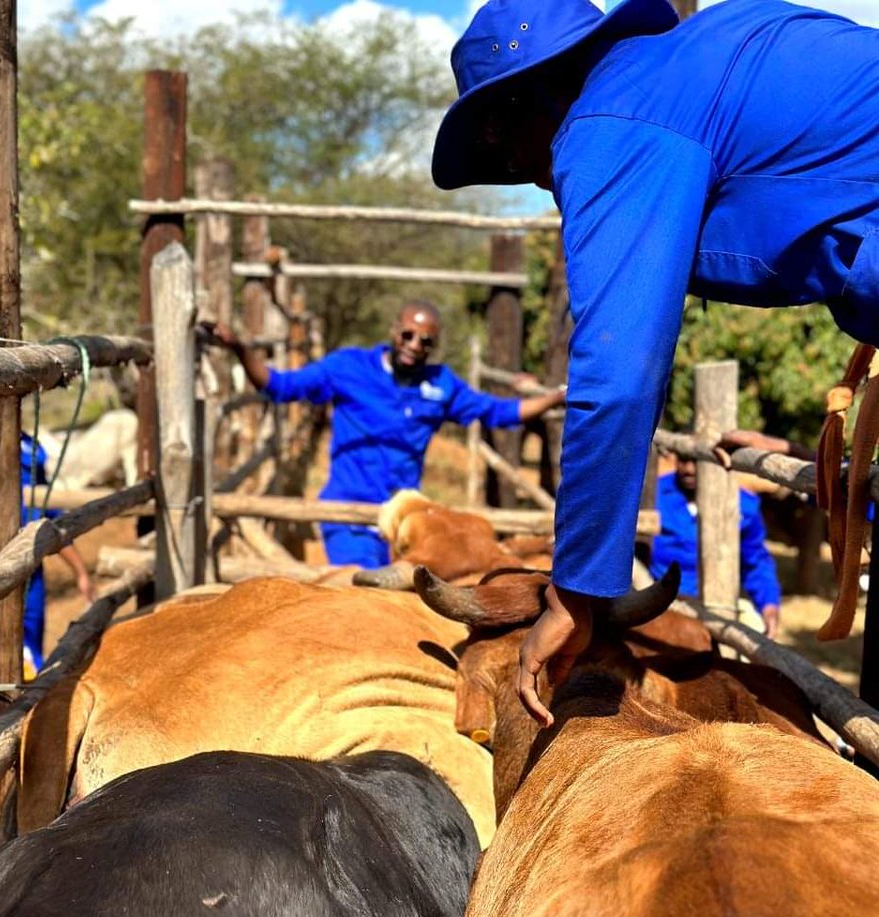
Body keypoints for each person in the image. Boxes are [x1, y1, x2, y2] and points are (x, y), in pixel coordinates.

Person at [431, 0, 879, 723]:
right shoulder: (694, 66)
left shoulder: (609, 123)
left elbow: (617, 374)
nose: (516, 167)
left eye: (497, 132)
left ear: (535, 93)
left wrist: (576, 593)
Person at [209, 301, 564, 568]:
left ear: (434, 346)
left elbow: (500, 413)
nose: (413, 344)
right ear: (393, 330)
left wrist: (555, 397)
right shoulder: (348, 367)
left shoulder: (440, 384)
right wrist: (240, 347)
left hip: (404, 517)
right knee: (369, 592)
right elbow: (279, 386)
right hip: (349, 512)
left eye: (425, 341)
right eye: (407, 334)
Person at [652, 456, 782, 638]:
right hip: (661, 598)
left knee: (757, 638)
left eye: (697, 461)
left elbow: (756, 563)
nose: (689, 469)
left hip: (719, 603)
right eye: (683, 460)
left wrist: (769, 606)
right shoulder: (652, 496)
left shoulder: (742, 505)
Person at [21, 433, 95, 679]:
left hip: (30, 565)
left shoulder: (31, 445)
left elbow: (49, 515)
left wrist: (80, 572)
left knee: (28, 655)